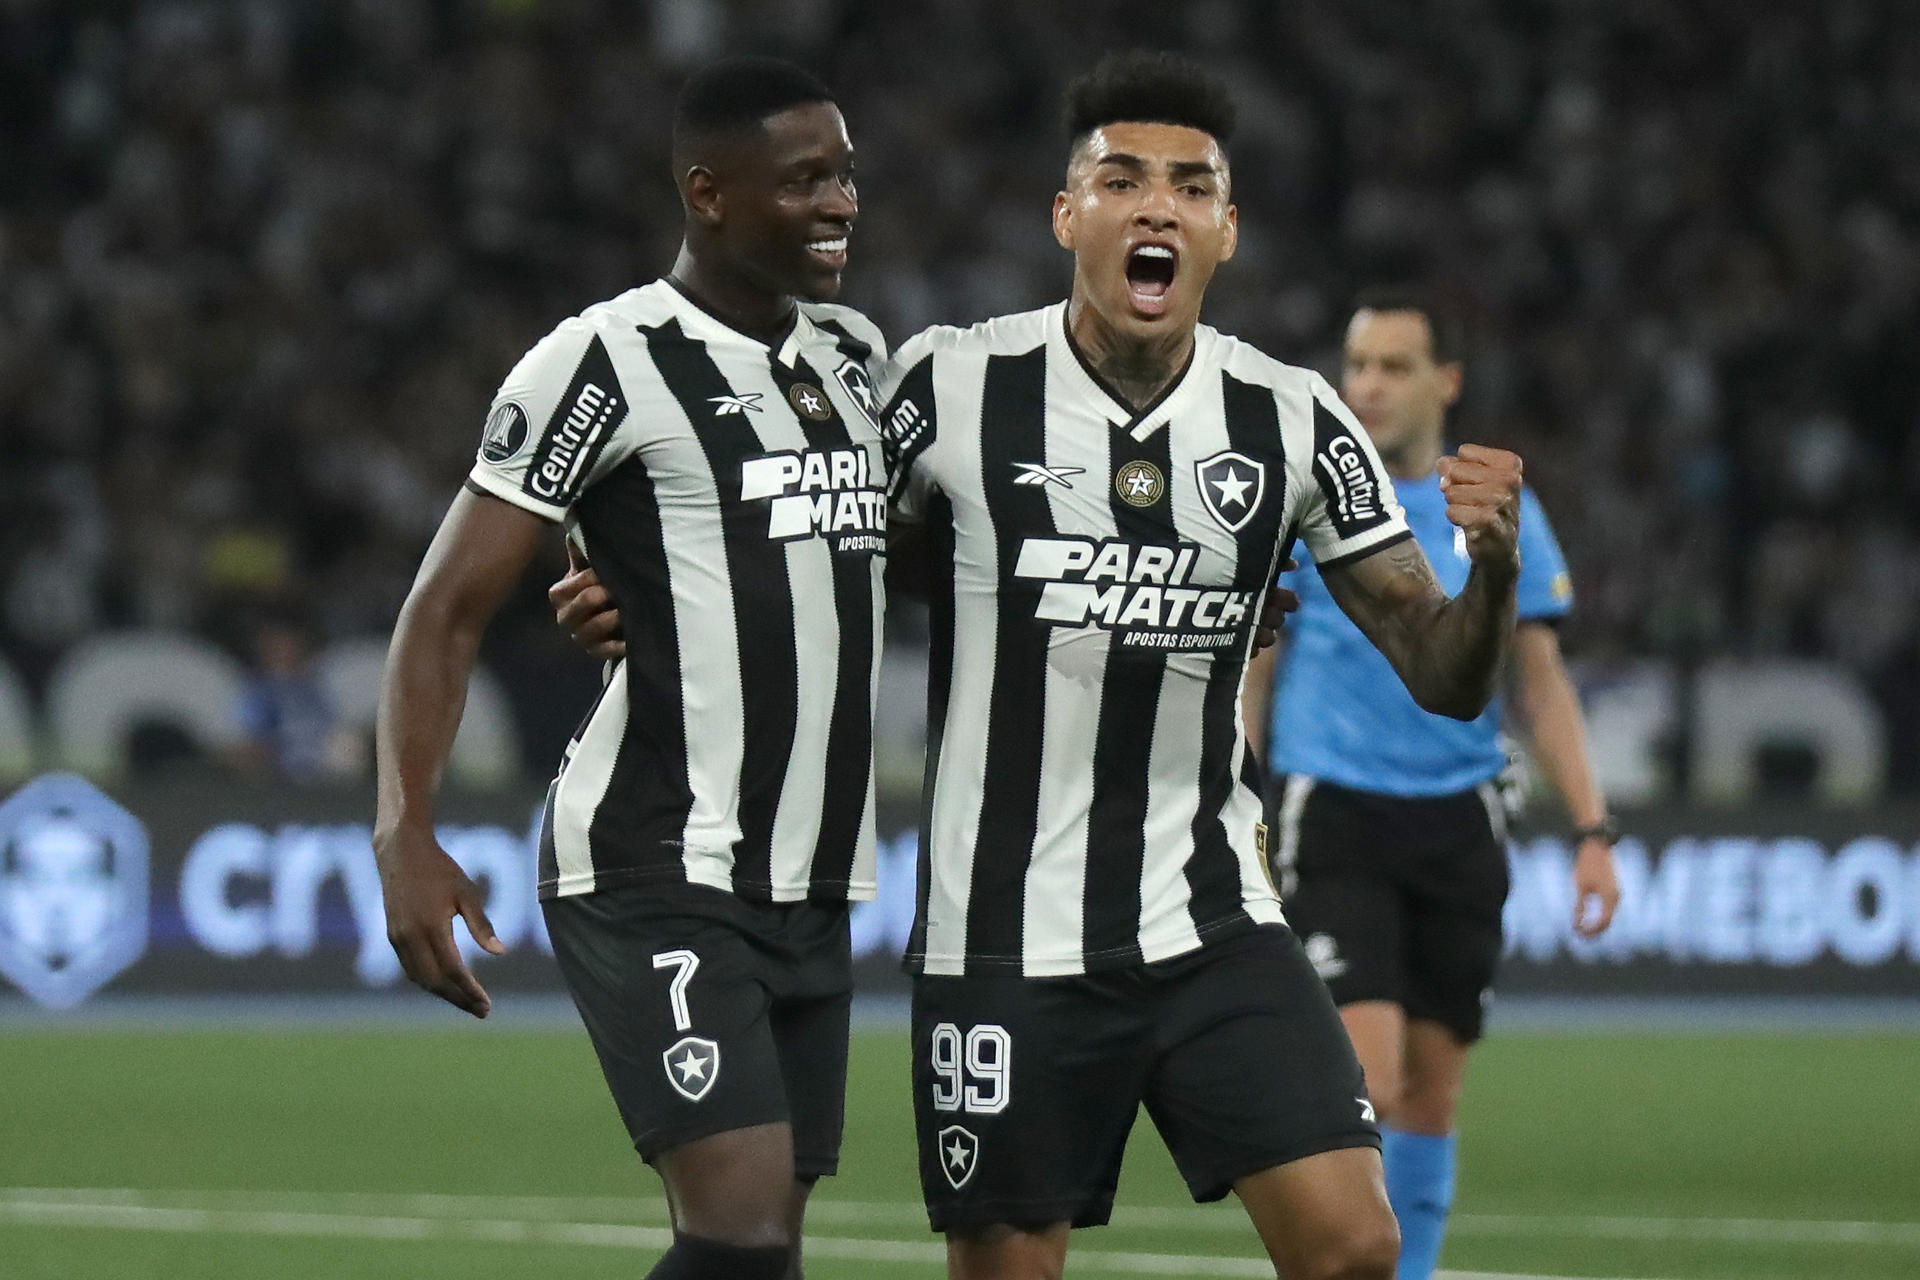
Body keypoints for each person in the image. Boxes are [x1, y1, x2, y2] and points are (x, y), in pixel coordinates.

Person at [875, 53, 1531, 1280]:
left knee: (1353, 1245)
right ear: (1067, 214)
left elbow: (1442, 670)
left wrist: (1488, 568)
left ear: (1227, 230)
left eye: (1192, 186)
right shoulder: (949, 384)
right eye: (1121, 180)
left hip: (1210, 915)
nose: (1157, 206)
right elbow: (827, 549)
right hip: (1005, 935)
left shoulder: (1289, 417)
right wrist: (629, 599)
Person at [371, 57, 888, 1280]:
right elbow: (442, 610)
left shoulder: (857, 356)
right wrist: (405, 831)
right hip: (658, 853)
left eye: (848, 173)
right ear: (709, 194)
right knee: (743, 1233)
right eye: (807, 178)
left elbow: (889, 555)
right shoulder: (599, 362)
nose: (843, 202)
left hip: (813, 870)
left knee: (762, 1246)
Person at [1241, 290, 1622, 1280]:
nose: (1366, 384)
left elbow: (1538, 682)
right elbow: (1257, 661)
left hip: (1461, 820)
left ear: (1446, 381)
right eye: (1357, 362)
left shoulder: (1496, 510)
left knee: (1433, 1096)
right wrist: (1230, 788)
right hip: (1334, 812)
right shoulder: (1310, 499)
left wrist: (1593, 827)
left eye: (1393, 365)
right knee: (1366, 1079)